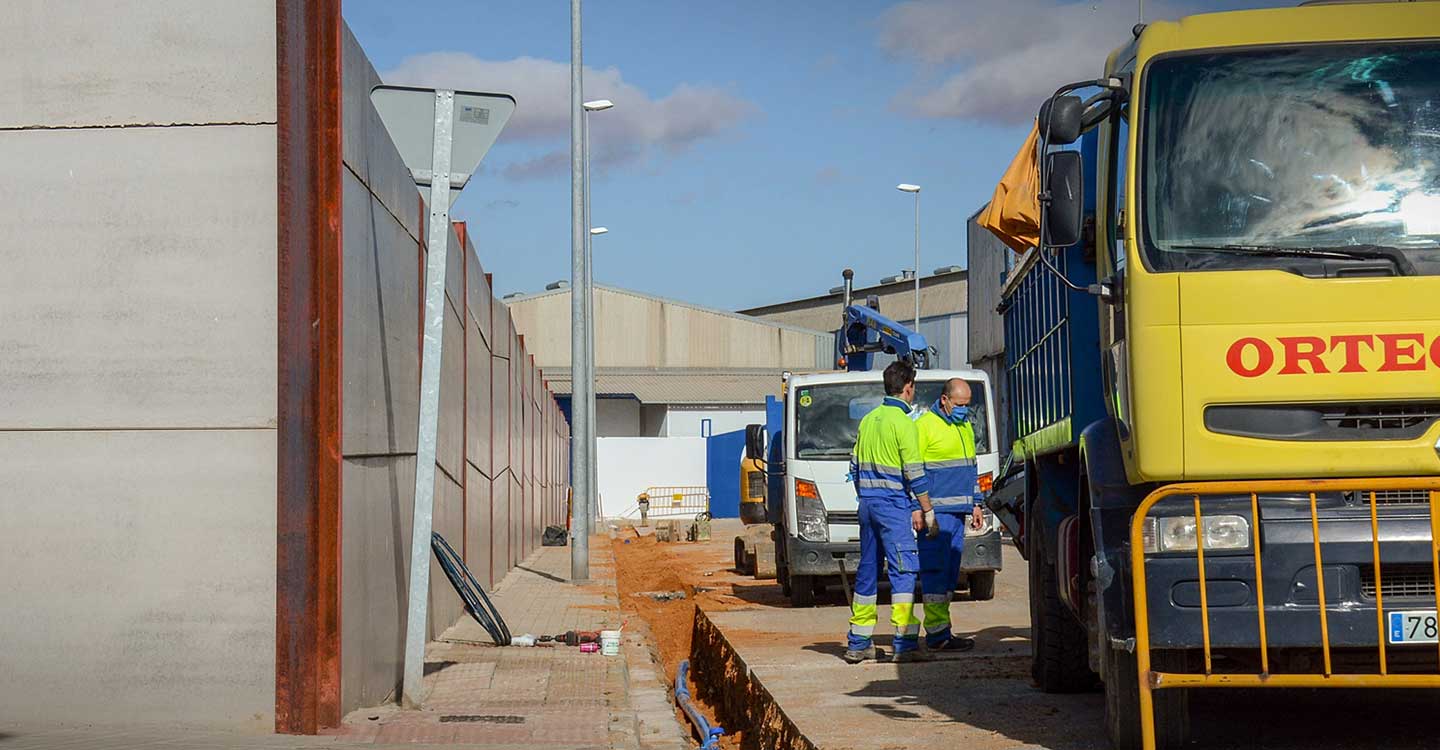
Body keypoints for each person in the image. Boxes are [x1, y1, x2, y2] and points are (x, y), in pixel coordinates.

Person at [844, 360, 936, 664]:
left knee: (868, 571)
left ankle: (858, 642)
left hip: (867, 505)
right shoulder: (904, 424)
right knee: (904, 570)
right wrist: (926, 509)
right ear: (908, 387)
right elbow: (915, 474)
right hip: (892, 506)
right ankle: (905, 642)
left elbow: (854, 467)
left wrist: (866, 497)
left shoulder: (869, 420)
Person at [915, 378, 984, 653]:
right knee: (935, 572)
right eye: (959, 405)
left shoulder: (964, 426)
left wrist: (977, 503)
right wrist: (916, 507)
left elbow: (971, 467)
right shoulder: (923, 427)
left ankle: (943, 630)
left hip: (958, 513)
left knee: (950, 574)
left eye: (967, 405)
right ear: (944, 400)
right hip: (936, 514)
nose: (964, 410)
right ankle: (937, 634)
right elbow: (912, 471)